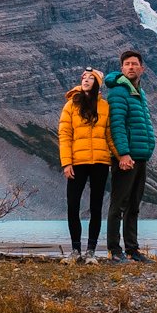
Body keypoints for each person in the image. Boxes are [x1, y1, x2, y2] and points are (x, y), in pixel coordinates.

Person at [102, 49, 156, 262]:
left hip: (140, 156)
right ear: (122, 68)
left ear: (142, 69)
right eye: (127, 64)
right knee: (118, 204)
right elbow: (117, 125)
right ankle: (115, 251)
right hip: (126, 157)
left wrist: (148, 147)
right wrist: (123, 154)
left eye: (134, 64)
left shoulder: (139, 92)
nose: (131, 67)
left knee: (133, 205)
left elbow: (143, 122)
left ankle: (133, 250)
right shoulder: (118, 91)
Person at [58, 68, 116, 261]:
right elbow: (65, 136)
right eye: (84, 77)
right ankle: (76, 250)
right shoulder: (71, 105)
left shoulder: (105, 106)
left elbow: (109, 135)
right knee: (73, 204)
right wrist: (67, 163)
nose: (86, 80)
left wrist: (120, 156)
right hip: (77, 162)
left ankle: (91, 250)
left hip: (100, 162)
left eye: (91, 78)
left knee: (96, 206)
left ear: (98, 83)